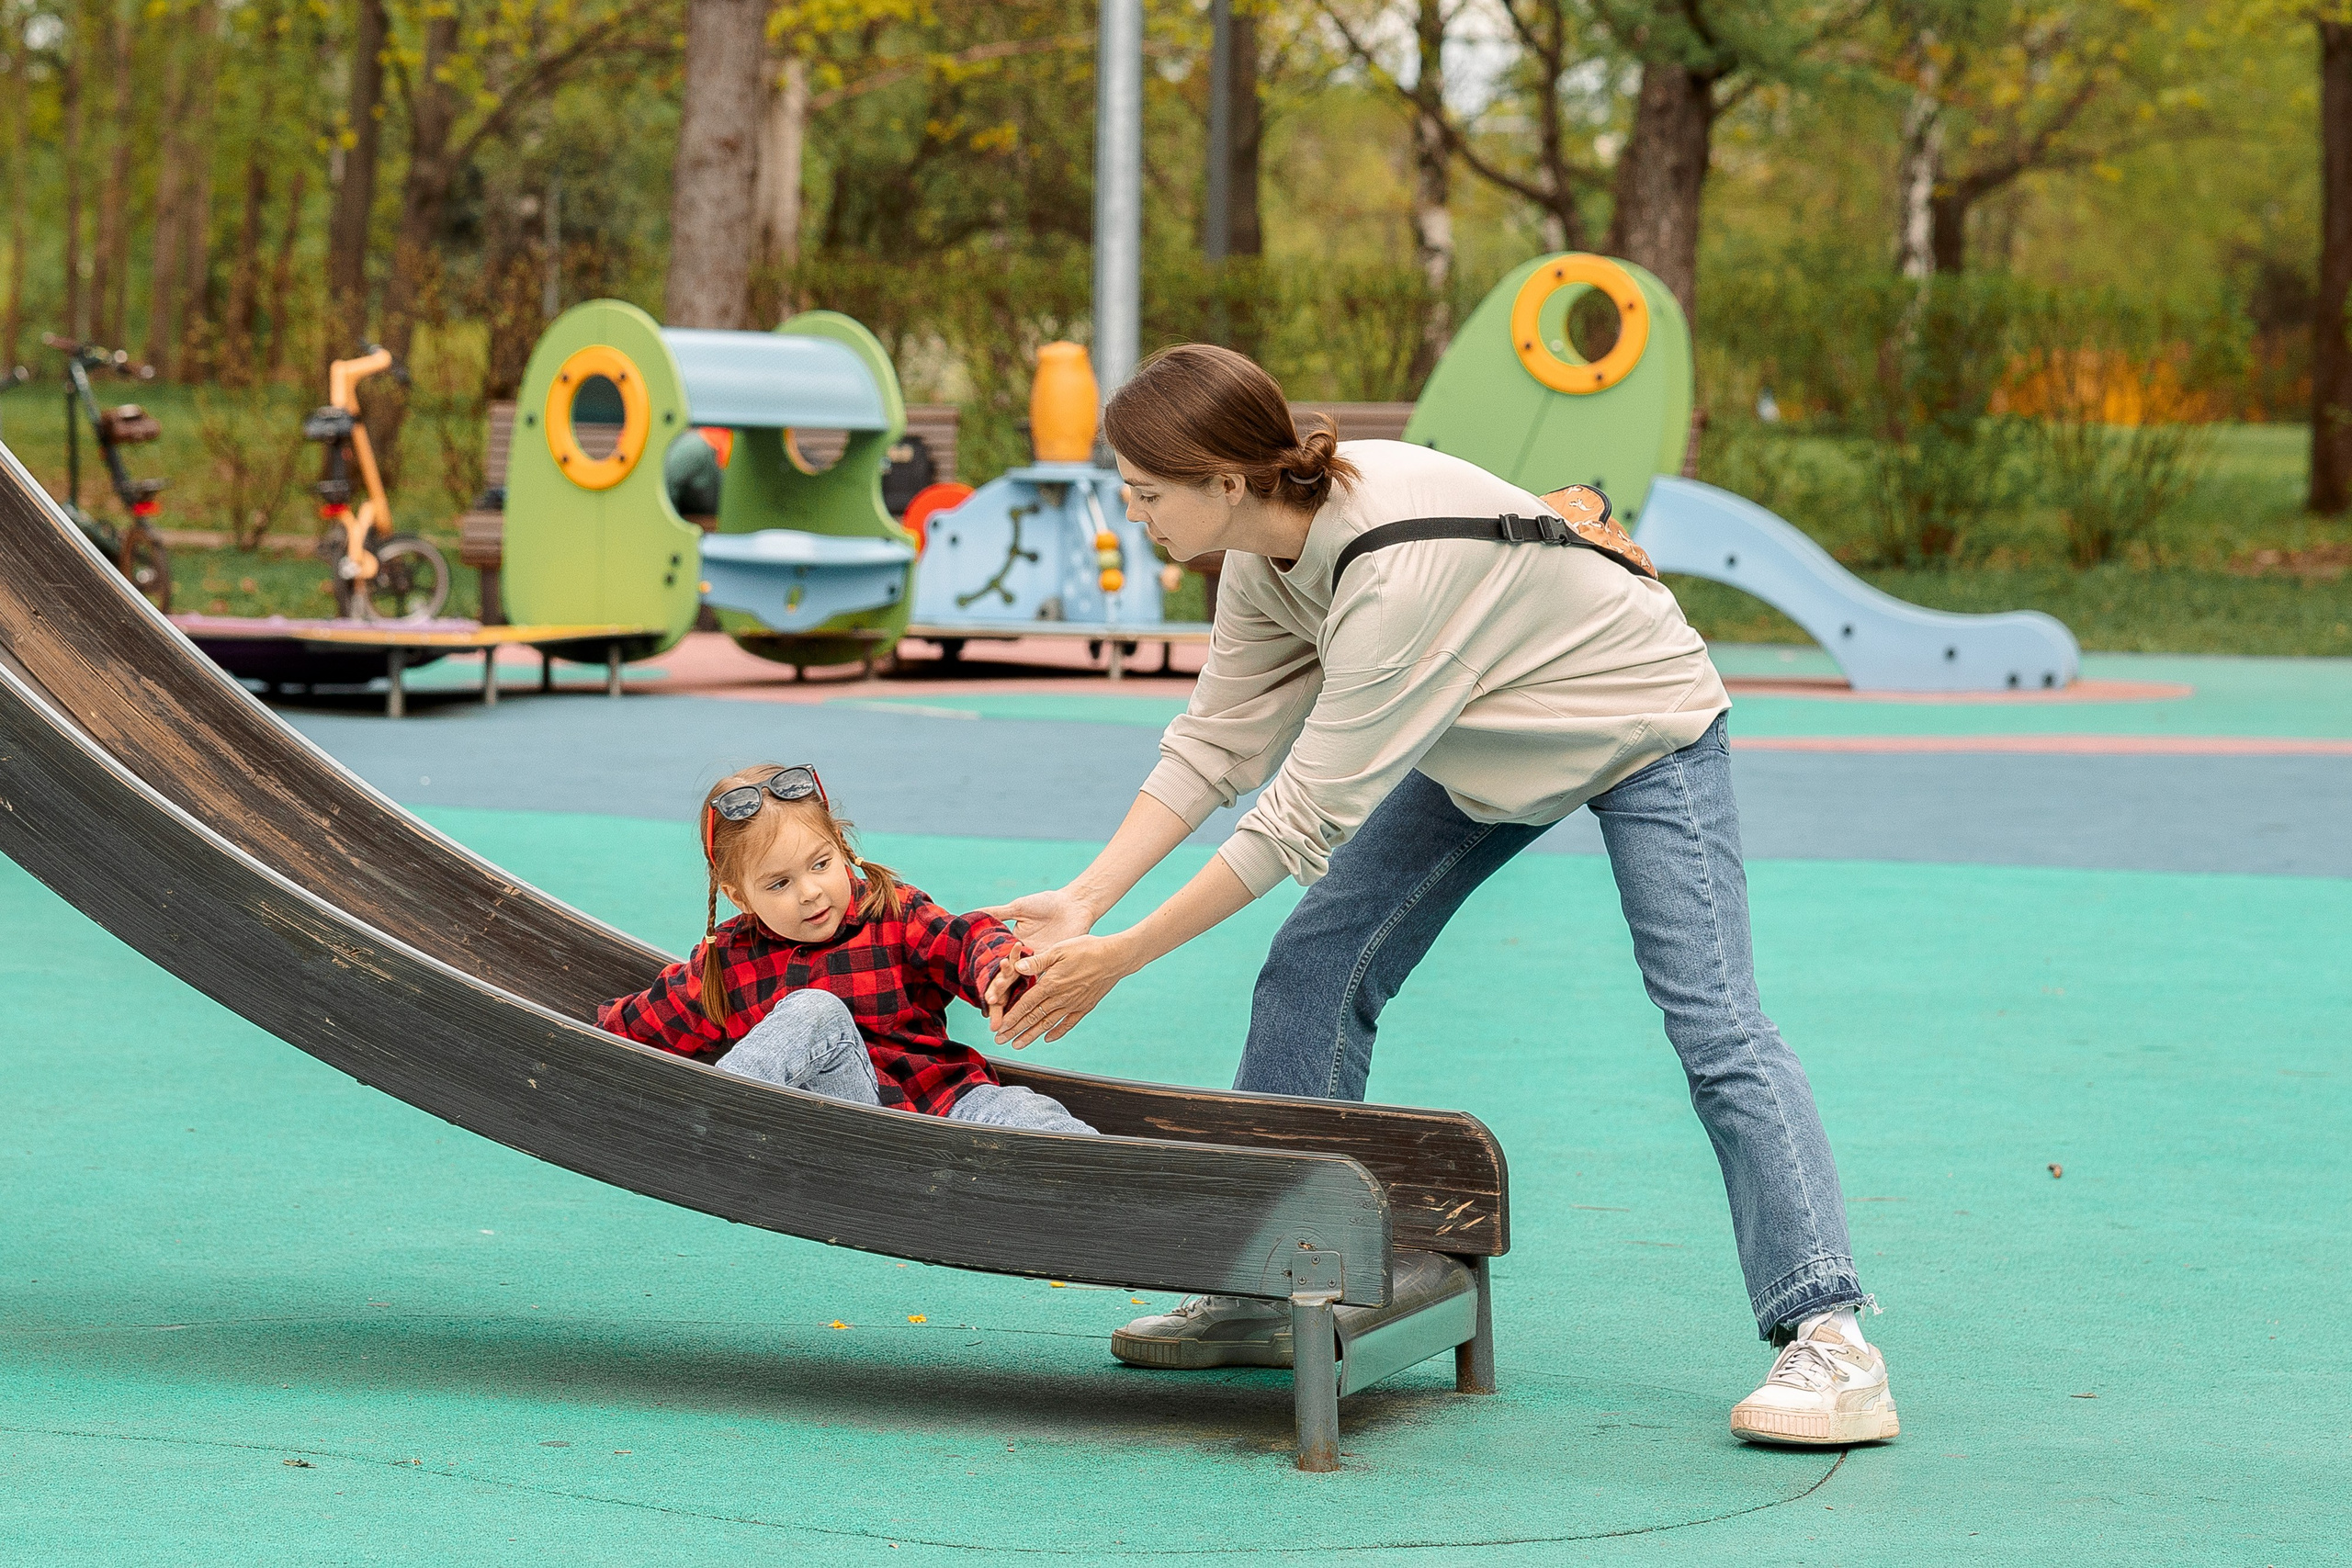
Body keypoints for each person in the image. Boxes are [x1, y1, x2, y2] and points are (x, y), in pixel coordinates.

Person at [983, 344, 1896, 1446]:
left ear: (1226, 480)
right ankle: (1269, 1287)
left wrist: (1123, 956)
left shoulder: (1388, 574)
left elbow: (1295, 823)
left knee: (1715, 1021)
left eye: (1143, 493)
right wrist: (1086, 901)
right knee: (1315, 965)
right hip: (1481, 736)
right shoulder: (1258, 561)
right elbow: (1217, 746)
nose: (1130, 516)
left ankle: (1830, 1335)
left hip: (1635, 720)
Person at [601, 762, 1095, 1135]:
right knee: (814, 1011)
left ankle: (1127, 1198)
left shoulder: (893, 913)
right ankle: (720, 1115)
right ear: (738, 895)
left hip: (944, 1107)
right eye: (778, 884)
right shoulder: (727, 961)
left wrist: (1001, 970)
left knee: (1025, 1110)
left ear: (841, 846)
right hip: (841, 1134)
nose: (810, 892)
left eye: (820, 864)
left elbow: (967, 939)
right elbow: (630, 1033)